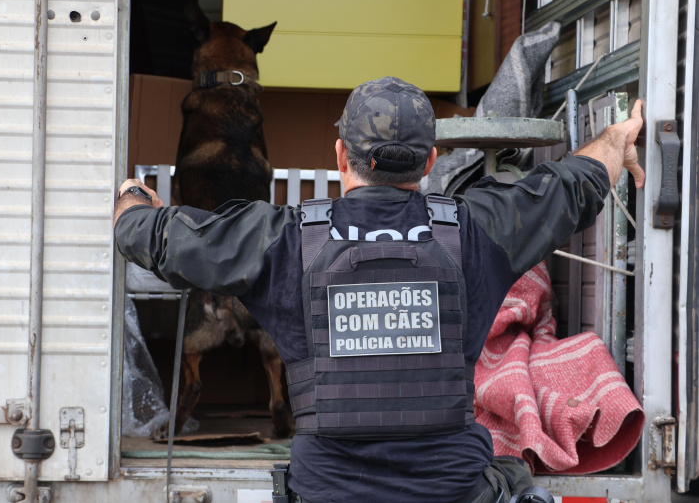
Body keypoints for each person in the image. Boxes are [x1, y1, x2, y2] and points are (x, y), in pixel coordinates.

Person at [113, 77, 645, 503]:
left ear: (341, 155)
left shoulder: (280, 241)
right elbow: (576, 184)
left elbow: (141, 235)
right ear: (431, 161)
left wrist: (134, 195)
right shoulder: (480, 229)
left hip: (326, 493)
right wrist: (618, 139)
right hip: (453, 491)